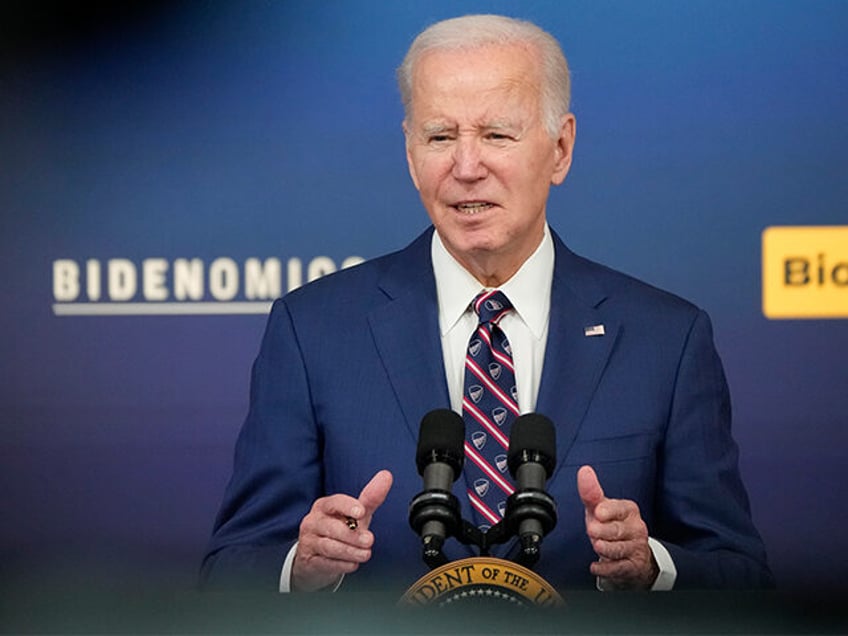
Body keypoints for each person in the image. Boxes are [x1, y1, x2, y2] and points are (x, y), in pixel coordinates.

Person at [201, 14, 772, 594]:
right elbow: (229, 571)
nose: (466, 168)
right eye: (440, 137)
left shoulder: (664, 339)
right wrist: (301, 566)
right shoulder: (313, 330)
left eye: (497, 135)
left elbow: (743, 579)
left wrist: (652, 567)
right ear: (409, 151)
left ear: (561, 148)